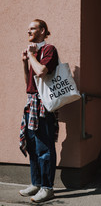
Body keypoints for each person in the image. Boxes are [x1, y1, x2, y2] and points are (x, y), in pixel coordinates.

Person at [19, 19, 59, 203]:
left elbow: (42, 71)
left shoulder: (49, 49)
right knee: (33, 146)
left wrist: (33, 56)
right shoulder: (33, 52)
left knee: (44, 147)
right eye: (28, 29)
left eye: (33, 28)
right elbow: (30, 80)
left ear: (42, 31)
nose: (29, 31)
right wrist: (25, 61)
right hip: (31, 103)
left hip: (43, 105)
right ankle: (36, 183)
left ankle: (47, 188)